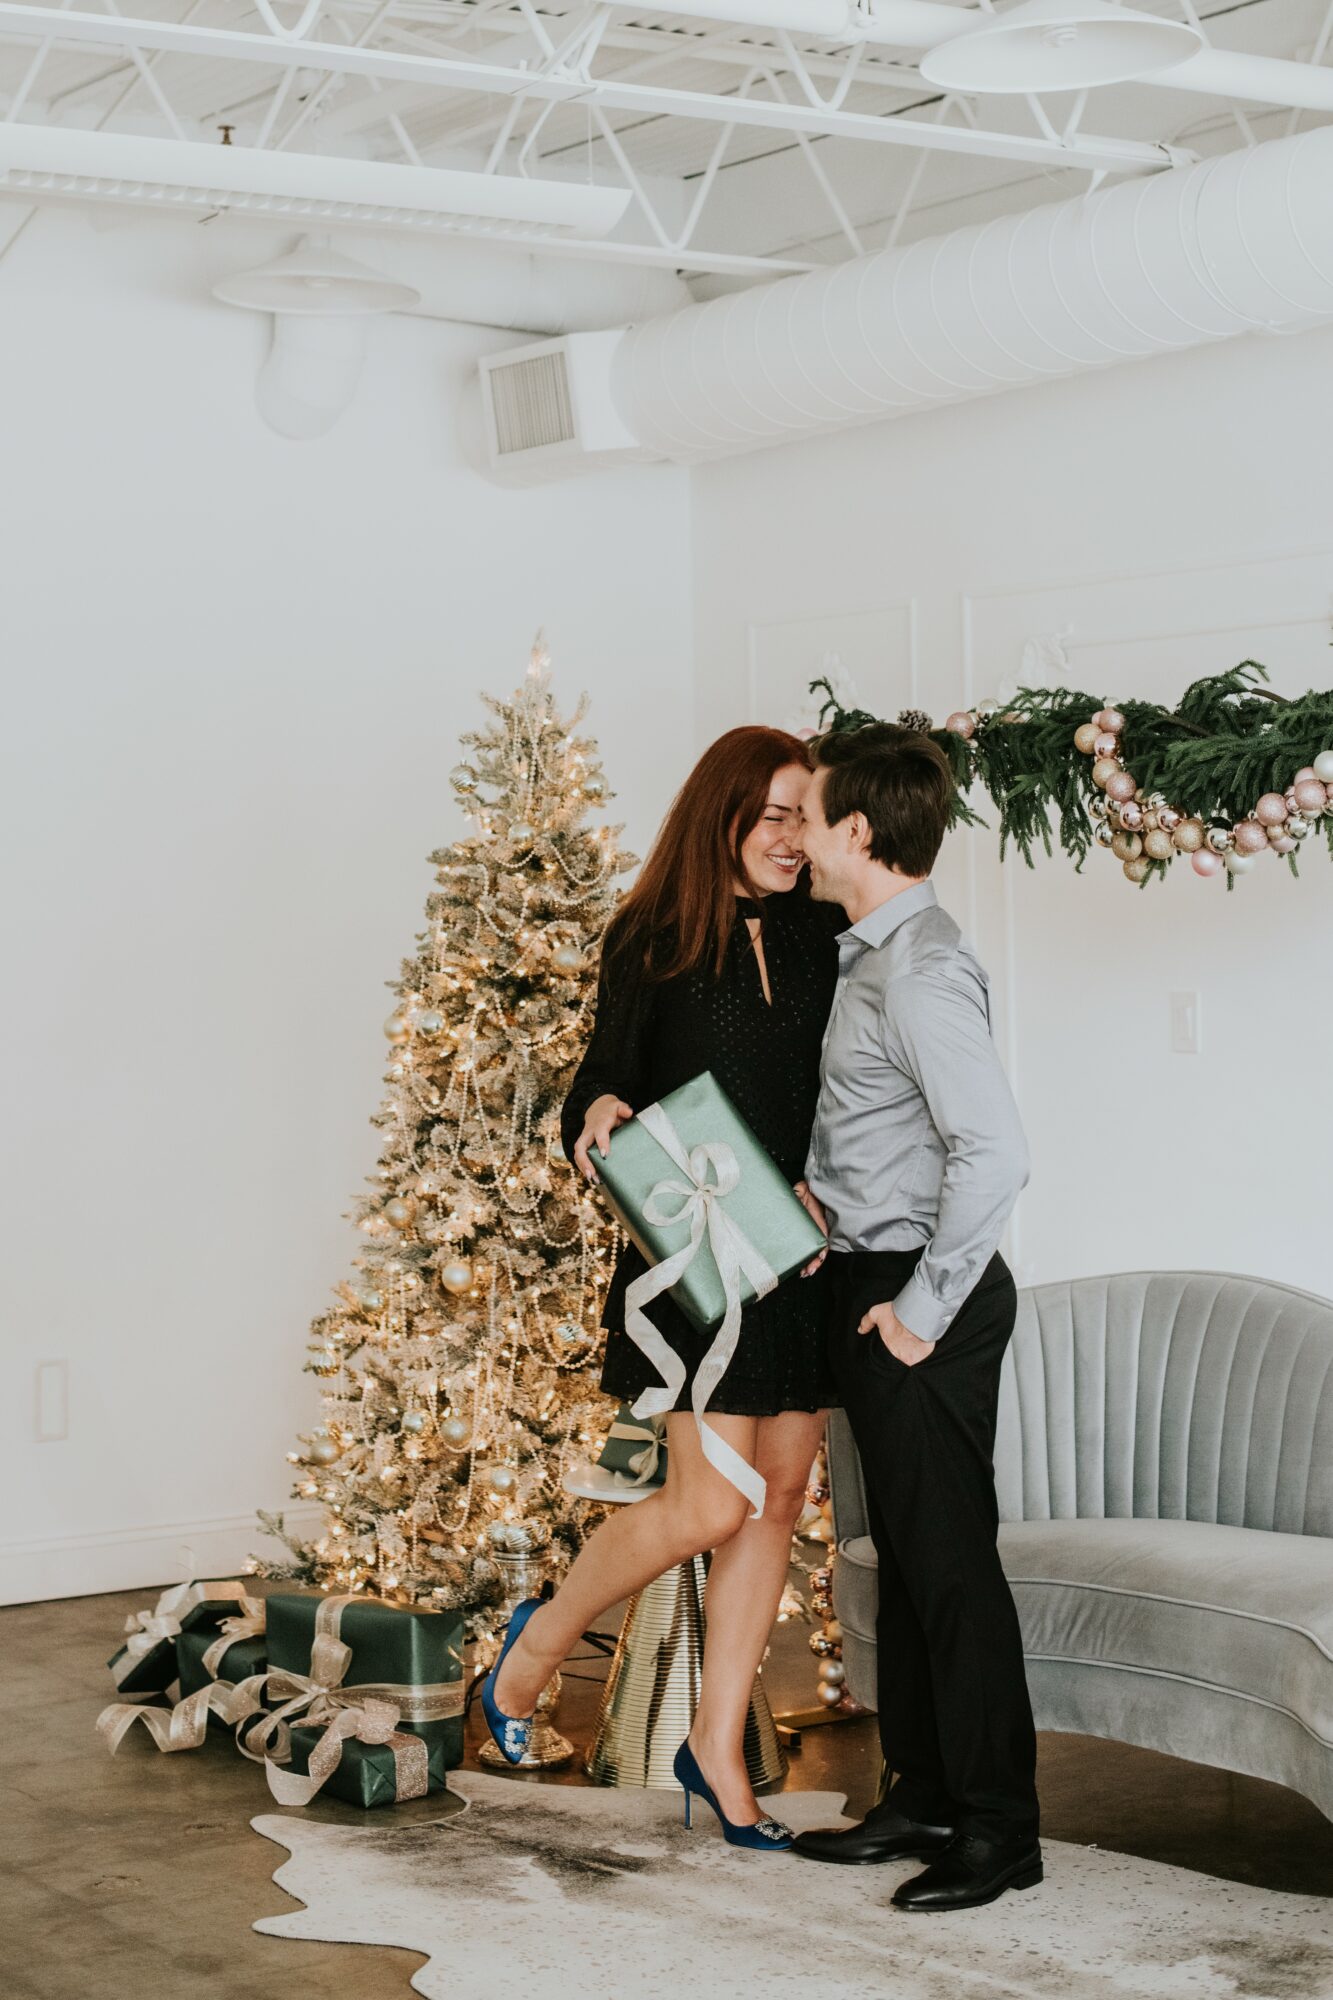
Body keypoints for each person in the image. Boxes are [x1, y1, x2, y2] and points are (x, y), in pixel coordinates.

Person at [480, 726, 842, 1849]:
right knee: (708, 1505)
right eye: (774, 812)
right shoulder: (653, 934)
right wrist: (591, 1113)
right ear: (724, 813)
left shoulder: (829, 931)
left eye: (805, 813)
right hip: (692, 1254)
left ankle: (717, 1747)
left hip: (797, 1252)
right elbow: (602, 1075)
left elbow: (849, 1090)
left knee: (777, 1501)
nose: (792, 835)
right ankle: (541, 1639)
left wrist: (829, 1187)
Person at [790, 722, 1040, 1911]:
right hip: (872, 1277)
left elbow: (994, 1153)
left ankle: (1002, 1829)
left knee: (949, 1573)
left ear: (856, 829)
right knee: (905, 1566)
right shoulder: (869, 956)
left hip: (919, 1301)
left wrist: (916, 1311)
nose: (795, 829)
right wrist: (823, 1199)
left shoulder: (921, 966)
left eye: (811, 810)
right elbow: (890, 1137)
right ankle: (926, 1791)